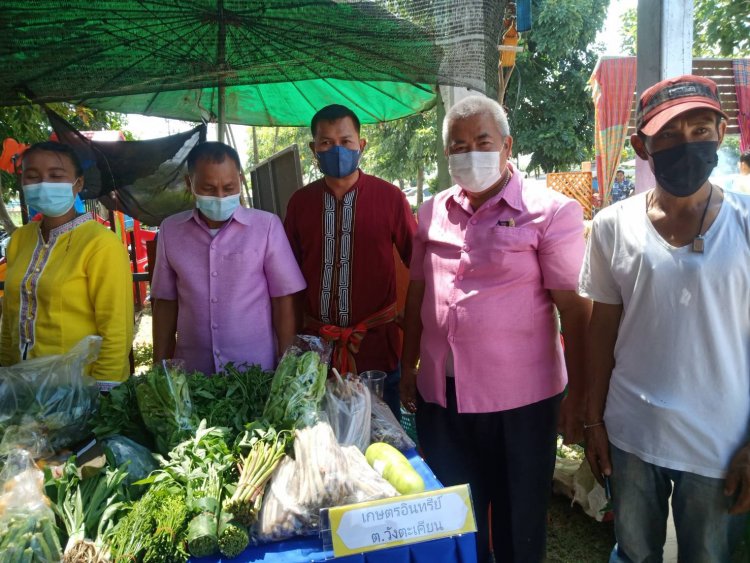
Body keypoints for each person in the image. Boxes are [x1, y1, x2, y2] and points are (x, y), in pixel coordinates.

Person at [400, 95, 591, 562]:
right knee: (455, 515)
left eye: (482, 141)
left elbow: (575, 310)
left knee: (517, 519)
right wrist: (408, 366)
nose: (470, 154)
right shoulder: (431, 211)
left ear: (508, 146)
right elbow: (416, 293)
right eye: (458, 146)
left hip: (521, 403)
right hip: (442, 399)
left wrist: (581, 395)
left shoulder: (551, 212)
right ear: (447, 156)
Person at [580, 75, 750, 562]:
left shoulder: (745, 221)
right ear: (642, 145)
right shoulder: (613, 226)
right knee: (633, 553)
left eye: (700, 131)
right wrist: (594, 421)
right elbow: (601, 331)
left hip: (720, 443)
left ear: (721, 132)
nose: (687, 145)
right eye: (669, 136)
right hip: (633, 433)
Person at [284, 104, 416, 419]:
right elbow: (286, 278)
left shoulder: (390, 198)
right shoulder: (300, 203)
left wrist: (410, 319)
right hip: (316, 353)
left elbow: (422, 265)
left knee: (383, 446)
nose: (337, 149)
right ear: (313, 149)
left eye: (346, 141)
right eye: (326, 142)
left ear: (362, 145)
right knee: (324, 444)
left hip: (378, 353)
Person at [151, 142, 305, 374]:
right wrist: (160, 366)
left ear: (240, 181)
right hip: (194, 372)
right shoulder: (171, 231)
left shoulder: (266, 227)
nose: (220, 196)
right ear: (189, 183)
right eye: (209, 189)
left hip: (255, 371)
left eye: (229, 187)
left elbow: (283, 299)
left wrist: (286, 364)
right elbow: (165, 302)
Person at [0, 141, 134, 390]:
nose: (44, 183)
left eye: (56, 175)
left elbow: (117, 328)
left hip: (77, 389)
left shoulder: (100, 244)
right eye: (32, 176)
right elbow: (10, 316)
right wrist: (6, 373)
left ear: (78, 183)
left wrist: (104, 392)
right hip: (21, 387)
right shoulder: (20, 239)